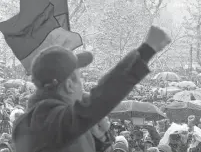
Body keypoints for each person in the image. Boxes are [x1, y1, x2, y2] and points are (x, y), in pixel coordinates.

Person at [12, 26, 170, 152]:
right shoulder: (44, 121)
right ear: (68, 85)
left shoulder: (56, 125)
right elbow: (100, 97)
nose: (84, 87)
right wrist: (145, 52)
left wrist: (102, 142)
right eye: (80, 79)